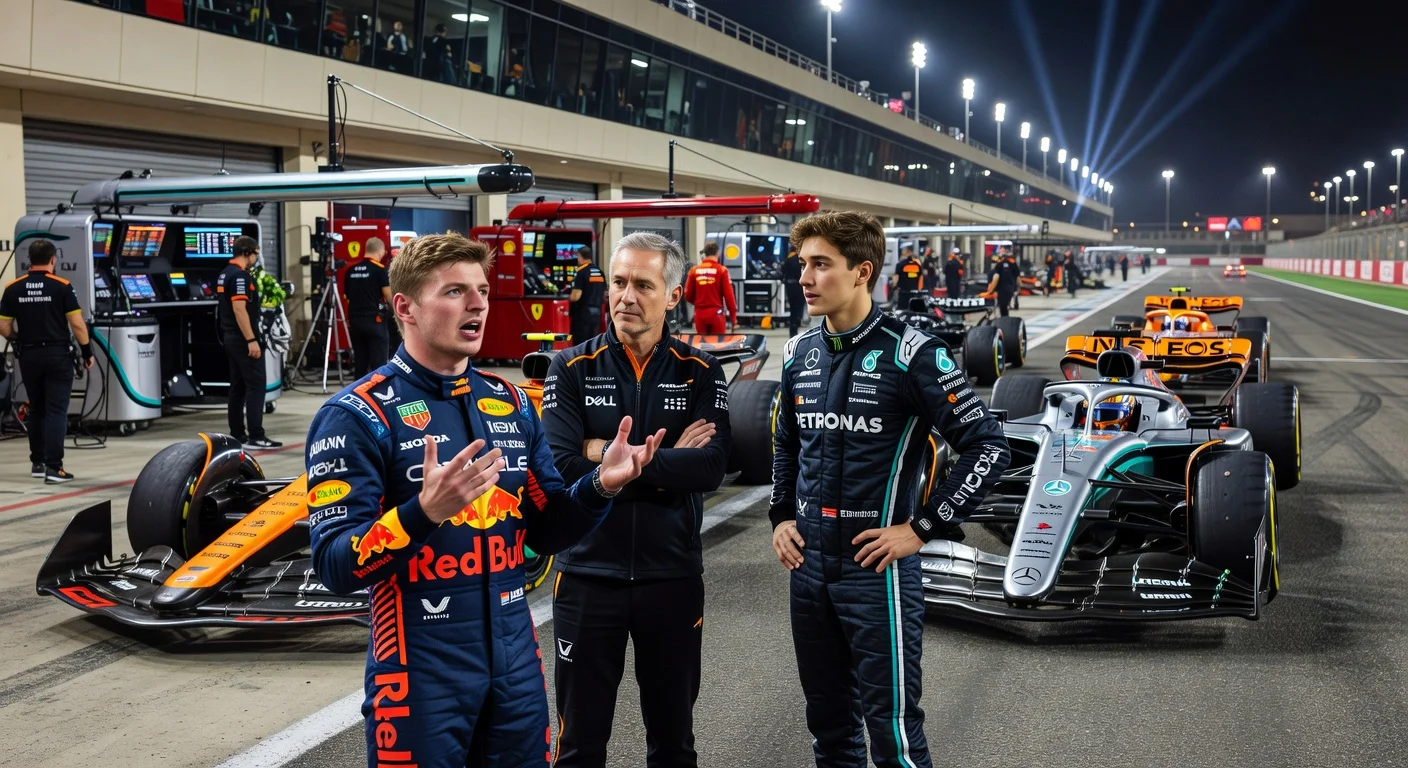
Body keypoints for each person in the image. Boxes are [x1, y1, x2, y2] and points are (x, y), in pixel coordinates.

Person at [306, 234, 665, 768]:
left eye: (481, 290)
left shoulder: (513, 402)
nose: (478, 305)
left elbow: (545, 531)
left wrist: (600, 486)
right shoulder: (354, 415)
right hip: (418, 671)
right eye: (455, 291)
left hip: (515, 661)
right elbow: (335, 564)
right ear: (404, 307)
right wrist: (421, 513)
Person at [769, 211, 1010, 768]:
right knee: (829, 730)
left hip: (876, 572)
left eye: (821, 265)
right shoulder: (797, 353)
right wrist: (781, 516)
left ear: (862, 272)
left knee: (895, 738)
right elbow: (786, 443)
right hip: (808, 569)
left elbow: (989, 448)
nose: (804, 278)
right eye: (803, 264)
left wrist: (922, 527)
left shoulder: (914, 353)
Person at [542, 231, 732, 768]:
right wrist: (668, 459)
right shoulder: (570, 367)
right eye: (618, 282)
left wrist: (606, 455)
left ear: (673, 296)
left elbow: (712, 467)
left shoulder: (702, 370)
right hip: (586, 577)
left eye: (642, 285)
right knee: (578, 746)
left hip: (670, 579)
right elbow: (559, 465)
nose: (625, 295)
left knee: (673, 744)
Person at [0, 239, 92, 483]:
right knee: (56, 411)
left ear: (30, 260)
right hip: (57, 355)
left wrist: (18, 339)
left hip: (29, 356)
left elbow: (4, 327)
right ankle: (55, 468)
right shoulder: (62, 286)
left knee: (37, 408)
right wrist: (87, 352)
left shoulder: (13, 287)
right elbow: (77, 325)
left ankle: (38, 463)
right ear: (53, 259)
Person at [217, 236, 280, 449]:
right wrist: (251, 339)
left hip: (230, 338)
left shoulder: (225, 273)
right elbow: (239, 309)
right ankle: (256, 435)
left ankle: (237, 434)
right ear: (247, 252)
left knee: (238, 387)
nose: (257, 257)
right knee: (256, 385)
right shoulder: (240, 276)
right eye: (255, 253)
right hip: (243, 340)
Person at [345, 237, 392, 378]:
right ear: (381, 251)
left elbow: (347, 298)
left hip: (355, 322)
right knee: (379, 364)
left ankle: (358, 395)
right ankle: (379, 394)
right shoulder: (380, 270)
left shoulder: (350, 270)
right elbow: (388, 297)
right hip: (375, 322)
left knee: (360, 362)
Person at [683, 241, 736, 334]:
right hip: (716, 314)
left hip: (699, 314)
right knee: (718, 346)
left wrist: (698, 303)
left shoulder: (694, 271)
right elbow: (729, 296)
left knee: (701, 346)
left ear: (705, 253)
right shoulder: (722, 270)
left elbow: (687, 294)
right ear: (717, 253)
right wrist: (733, 318)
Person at [568, 245, 605, 345]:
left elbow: (576, 296)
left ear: (580, 255)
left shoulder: (581, 272)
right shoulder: (599, 271)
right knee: (592, 343)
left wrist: (568, 298)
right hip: (597, 314)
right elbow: (605, 294)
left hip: (583, 314)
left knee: (581, 343)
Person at [983, 246, 1020, 317]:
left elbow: (996, 278)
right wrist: (1018, 288)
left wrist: (991, 290)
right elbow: (1018, 278)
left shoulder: (998, 265)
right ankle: (1006, 315)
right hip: (1010, 288)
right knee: (1006, 304)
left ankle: (1004, 318)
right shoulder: (1013, 264)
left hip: (1001, 289)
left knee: (1002, 305)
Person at [781, 246, 806, 336]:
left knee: (792, 308)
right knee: (800, 306)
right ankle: (797, 323)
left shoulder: (788, 260)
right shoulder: (801, 261)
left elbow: (782, 272)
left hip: (790, 286)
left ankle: (793, 328)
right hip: (800, 286)